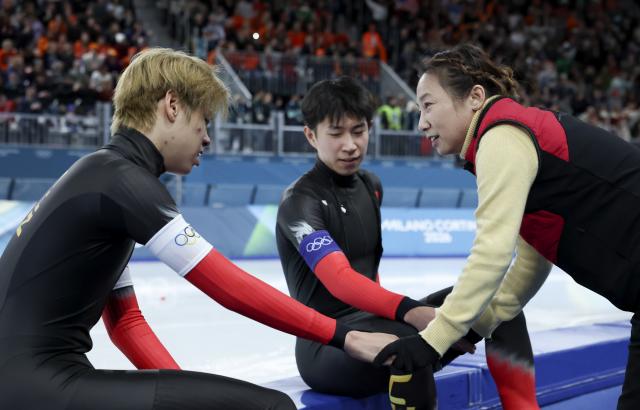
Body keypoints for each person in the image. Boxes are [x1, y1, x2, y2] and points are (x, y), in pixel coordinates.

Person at [0, 48, 396, 410]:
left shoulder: (104, 175)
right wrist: (344, 336)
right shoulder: (123, 182)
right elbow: (225, 285)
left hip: (28, 381)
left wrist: (182, 394)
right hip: (40, 383)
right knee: (273, 407)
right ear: (172, 105)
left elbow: (127, 324)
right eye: (203, 120)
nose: (206, 137)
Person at [373, 42, 640, 410]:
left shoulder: (501, 136)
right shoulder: (518, 132)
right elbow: (531, 263)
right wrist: (472, 328)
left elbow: (492, 252)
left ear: (475, 97)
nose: (421, 122)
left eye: (428, 104)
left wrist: (432, 340)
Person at [276, 76, 539, 408]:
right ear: (311, 135)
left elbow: (370, 275)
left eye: (358, 131)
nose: (350, 145)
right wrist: (411, 311)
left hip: (374, 319)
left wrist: (412, 315)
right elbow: (339, 280)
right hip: (326, 346)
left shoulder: (370, 185)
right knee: (411, 347)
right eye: (336, 133)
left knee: (500, 301)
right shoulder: (298, 202)